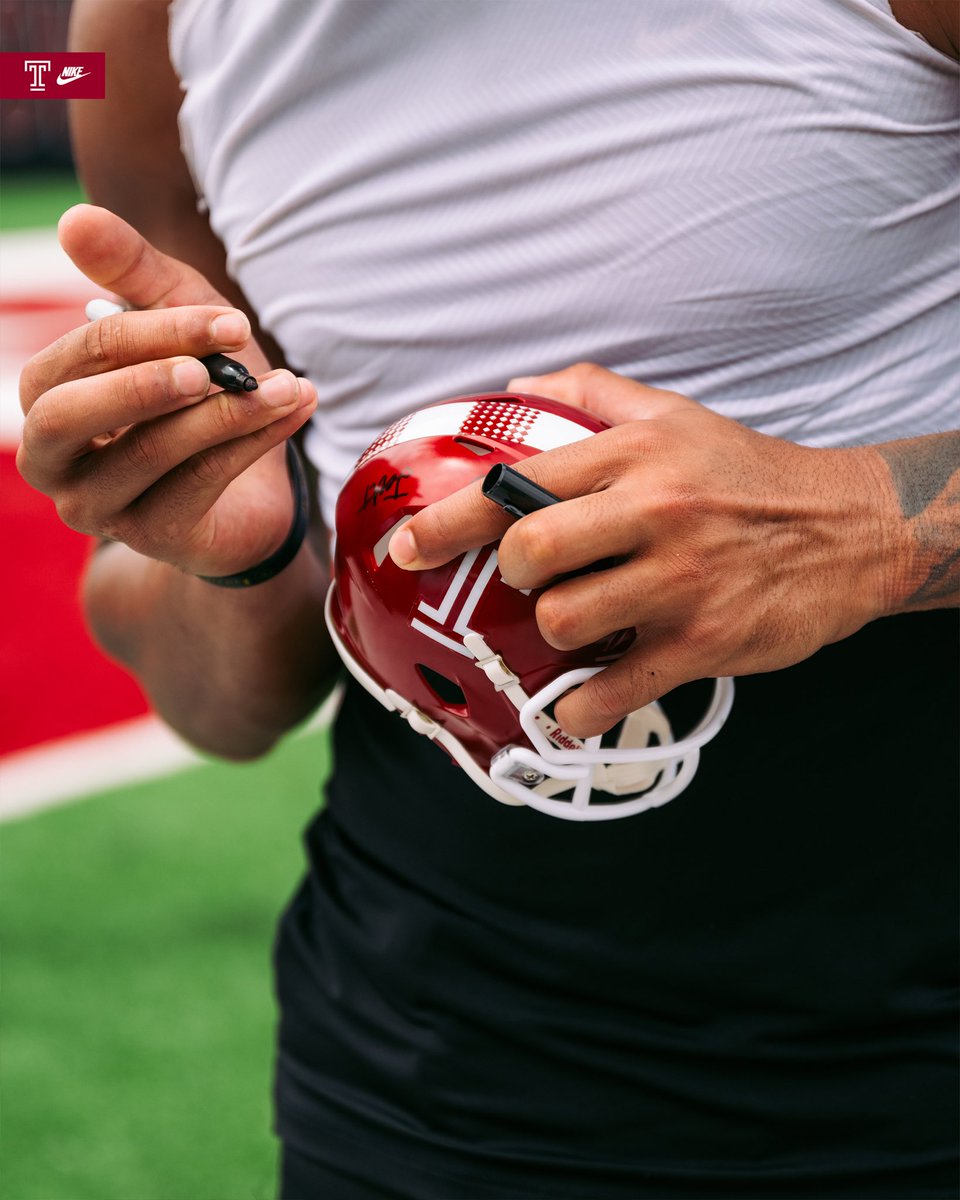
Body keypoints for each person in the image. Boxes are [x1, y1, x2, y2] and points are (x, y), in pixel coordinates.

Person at [17, 1, 958, 1196]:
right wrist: (249, 562)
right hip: (429, 1079)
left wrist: (871, 520)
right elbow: (225, 707)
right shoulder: (139, 32)